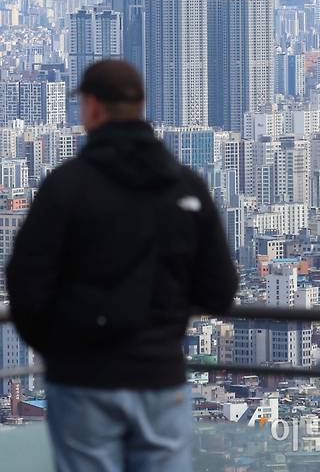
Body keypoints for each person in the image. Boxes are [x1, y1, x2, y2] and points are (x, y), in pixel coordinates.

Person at [7, 59, 238, 472]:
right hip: (160, 376)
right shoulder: (186, 186)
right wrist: (167, 315)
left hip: (83, 379)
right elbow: (219, 290)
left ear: (92, 107)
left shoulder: (67, 185)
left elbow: (24, 284)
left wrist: (60, 349)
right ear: (142, 105)